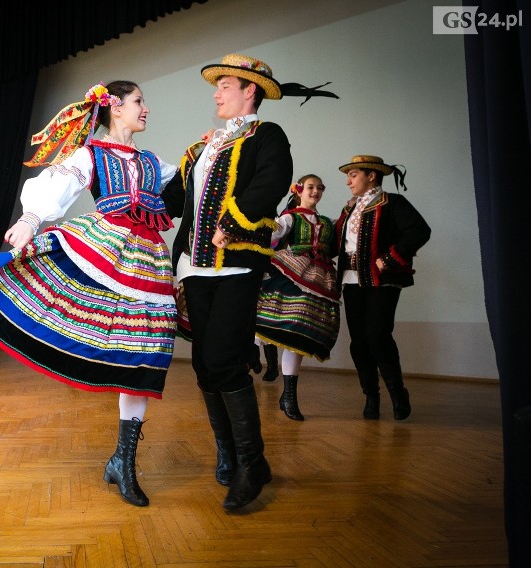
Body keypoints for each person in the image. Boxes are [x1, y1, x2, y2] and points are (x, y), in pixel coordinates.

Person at [0, 81, 182, 507]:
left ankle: (123, 460)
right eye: (139, 101)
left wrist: (206, 154)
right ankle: (121, 459)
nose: (146, 109)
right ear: (115, 107)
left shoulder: (156, 163)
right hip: (107, 246)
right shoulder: (91, 153)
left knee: (146, 351)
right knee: (76, 306)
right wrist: (31, 219)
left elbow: (186, 185)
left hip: (148, 258)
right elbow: (59, 185)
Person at [164, 54, 337, 510]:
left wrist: (234, 223)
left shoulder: (268, 136)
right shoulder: (205, 146)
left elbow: (270, 182)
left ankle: (252, 461)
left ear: (250, 91)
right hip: (194, 267)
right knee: (205, 365)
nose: (217, 94)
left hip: (237, 264)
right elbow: (174, 200)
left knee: (223, 357)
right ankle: (230, 455)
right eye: (216, 87)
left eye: (224, 86)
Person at [335, 155, 431, 420]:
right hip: (351, 281)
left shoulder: (393, 203)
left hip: (381, 281)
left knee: (377, 335)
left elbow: (419, 230)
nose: (348, 181)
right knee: (359, 342)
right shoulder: (348, 209)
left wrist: (389, 258)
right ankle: (371, 396)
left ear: (372, 175)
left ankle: (397, 392)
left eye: (353, 175)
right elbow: (335, 244)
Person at [255, 174, 341, 420]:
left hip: (320, 279)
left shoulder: (327, 222)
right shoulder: (290, 218)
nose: (315, 192)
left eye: (319, 188)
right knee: (270, 321)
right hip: (291, 274)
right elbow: (271, 237)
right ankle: (251, 361)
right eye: (311, 187)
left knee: (301, 333)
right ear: (299, 190)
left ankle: (289, 395)